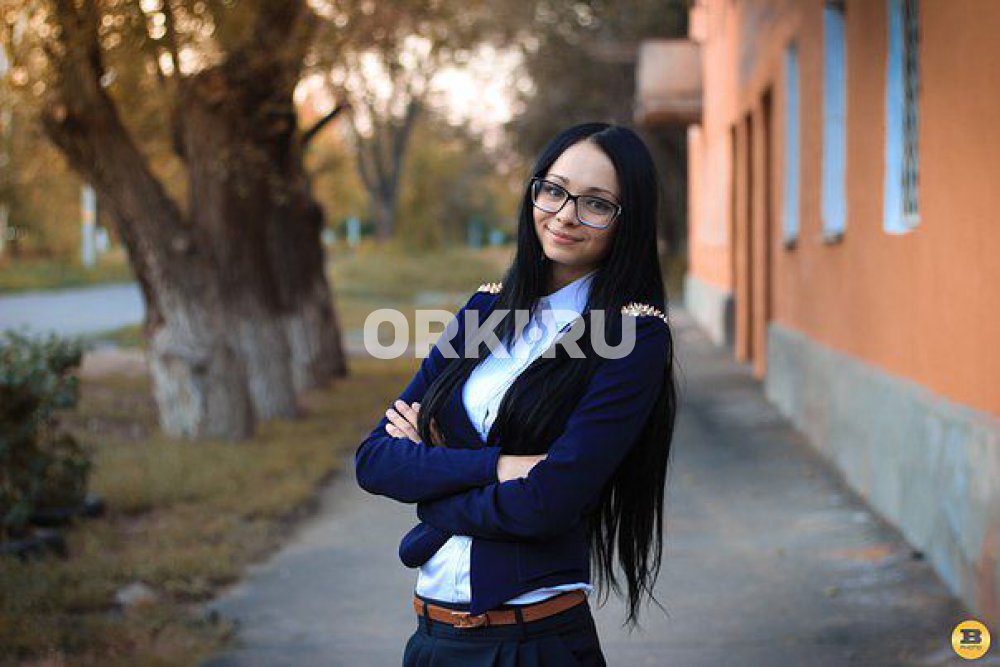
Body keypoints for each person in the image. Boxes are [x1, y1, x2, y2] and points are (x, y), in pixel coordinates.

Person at [355, 122, 678, 666]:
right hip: (431, 640)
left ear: (629, 221)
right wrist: (500, 466)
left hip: (532, 643)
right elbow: (375, 459)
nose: (566, 215)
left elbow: (547, 504)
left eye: (596, 203)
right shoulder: (485, 310)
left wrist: (430, 483)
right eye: (554, 190)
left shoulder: (633, 335)